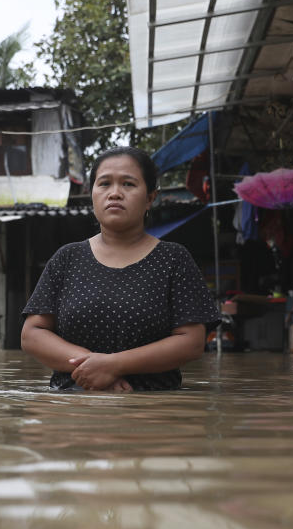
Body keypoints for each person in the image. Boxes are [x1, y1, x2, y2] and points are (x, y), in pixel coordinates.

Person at [21, 146, 221, 391]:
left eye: (128, 184)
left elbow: (191, 342)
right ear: (92, 194)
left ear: (150, 198)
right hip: (70, 412)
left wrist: (114, 365)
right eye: (104, 184)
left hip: (152, 410)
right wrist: (93, 368)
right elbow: (32, 334)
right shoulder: (67, 258)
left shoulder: (174, 259)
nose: (115, 193)